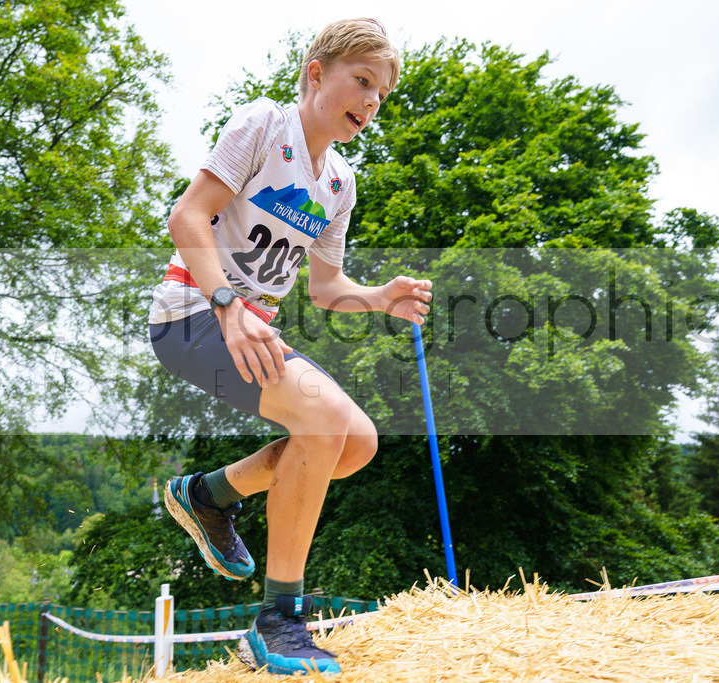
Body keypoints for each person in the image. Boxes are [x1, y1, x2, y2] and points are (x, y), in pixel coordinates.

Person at [148, 18, 432, 676]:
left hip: (253, 326)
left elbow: (327, 288)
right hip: (192, 314)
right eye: (361, 81)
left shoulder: (340, 183)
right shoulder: (263, 125)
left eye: (380, 95)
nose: (370, 101)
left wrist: (378, 296)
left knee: (354, 441)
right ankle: (277, 622)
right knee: (325, 418)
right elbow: (188, 214)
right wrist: (227, 306)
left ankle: (209, 494)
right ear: (315, 74)